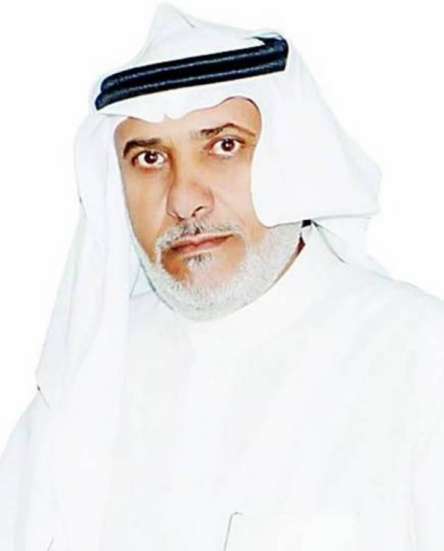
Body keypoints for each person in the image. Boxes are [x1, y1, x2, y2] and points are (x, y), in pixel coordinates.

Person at [1, 3, 443, 551]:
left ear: (292, 159)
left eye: (224, 146)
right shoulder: (86, 374)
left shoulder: (419, 356)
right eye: (149, 159)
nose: (184, 199)